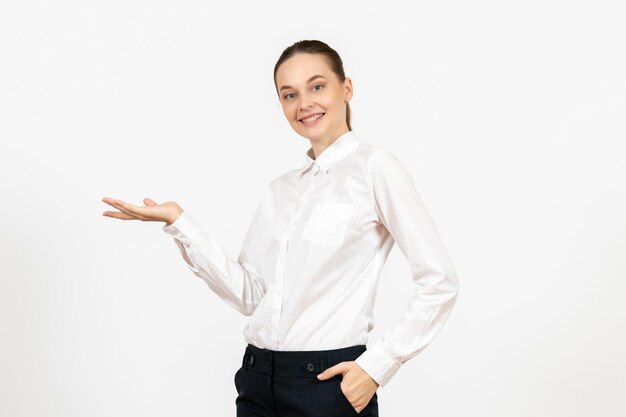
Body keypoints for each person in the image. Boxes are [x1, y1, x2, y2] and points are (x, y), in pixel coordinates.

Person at [102, 39, 460, 417]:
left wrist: (377, 366)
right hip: (257, 381)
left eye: (317, 86)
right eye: (290, 94)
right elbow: (252, 297)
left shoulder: (375, 168)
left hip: (327, 387)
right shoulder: (281, 190)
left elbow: (439, 280)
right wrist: (179, 223)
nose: (304, 103)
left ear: (347, 88)